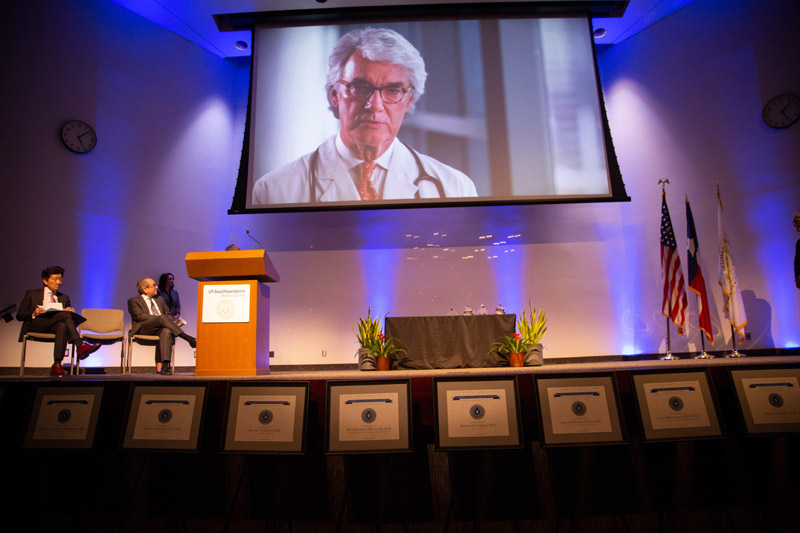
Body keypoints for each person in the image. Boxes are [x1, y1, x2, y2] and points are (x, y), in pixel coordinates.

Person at [252, 27, 478, 205]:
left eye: (392, 91)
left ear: (409, 101)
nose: (374, 105)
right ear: (335, 95)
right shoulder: (274, 190)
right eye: (360, 87)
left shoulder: (454, 187)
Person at [16, 266, 101, 376]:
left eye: (60, 279)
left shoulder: (64, 298)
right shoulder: (32, 294)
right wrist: (34, 312)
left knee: (62, 326)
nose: (59, 282)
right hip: (36, 324)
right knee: (65, 315)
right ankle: (80, 345)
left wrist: (68, 310)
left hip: (53, 326)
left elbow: (66, 318)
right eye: (55, 279)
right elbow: (20, 315)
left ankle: (57, 365)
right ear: (45, 281)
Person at [128, 278, 196, 375]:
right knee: (162, 319)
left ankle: (165, 366)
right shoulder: (133, 301)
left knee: (166, 331)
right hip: (144, 328)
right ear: (145, 289)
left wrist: (163, 320)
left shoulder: (159, 299)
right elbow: (139, 316)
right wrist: (159, 320)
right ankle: (188, 339)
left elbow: (168, 314)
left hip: (160, 329)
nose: (157, 287)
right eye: (153, 285)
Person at [794, 211, 800, 290]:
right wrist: (797, 277)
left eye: (797, 222)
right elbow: (797, 263)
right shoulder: (799, 243)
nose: (795, 225)